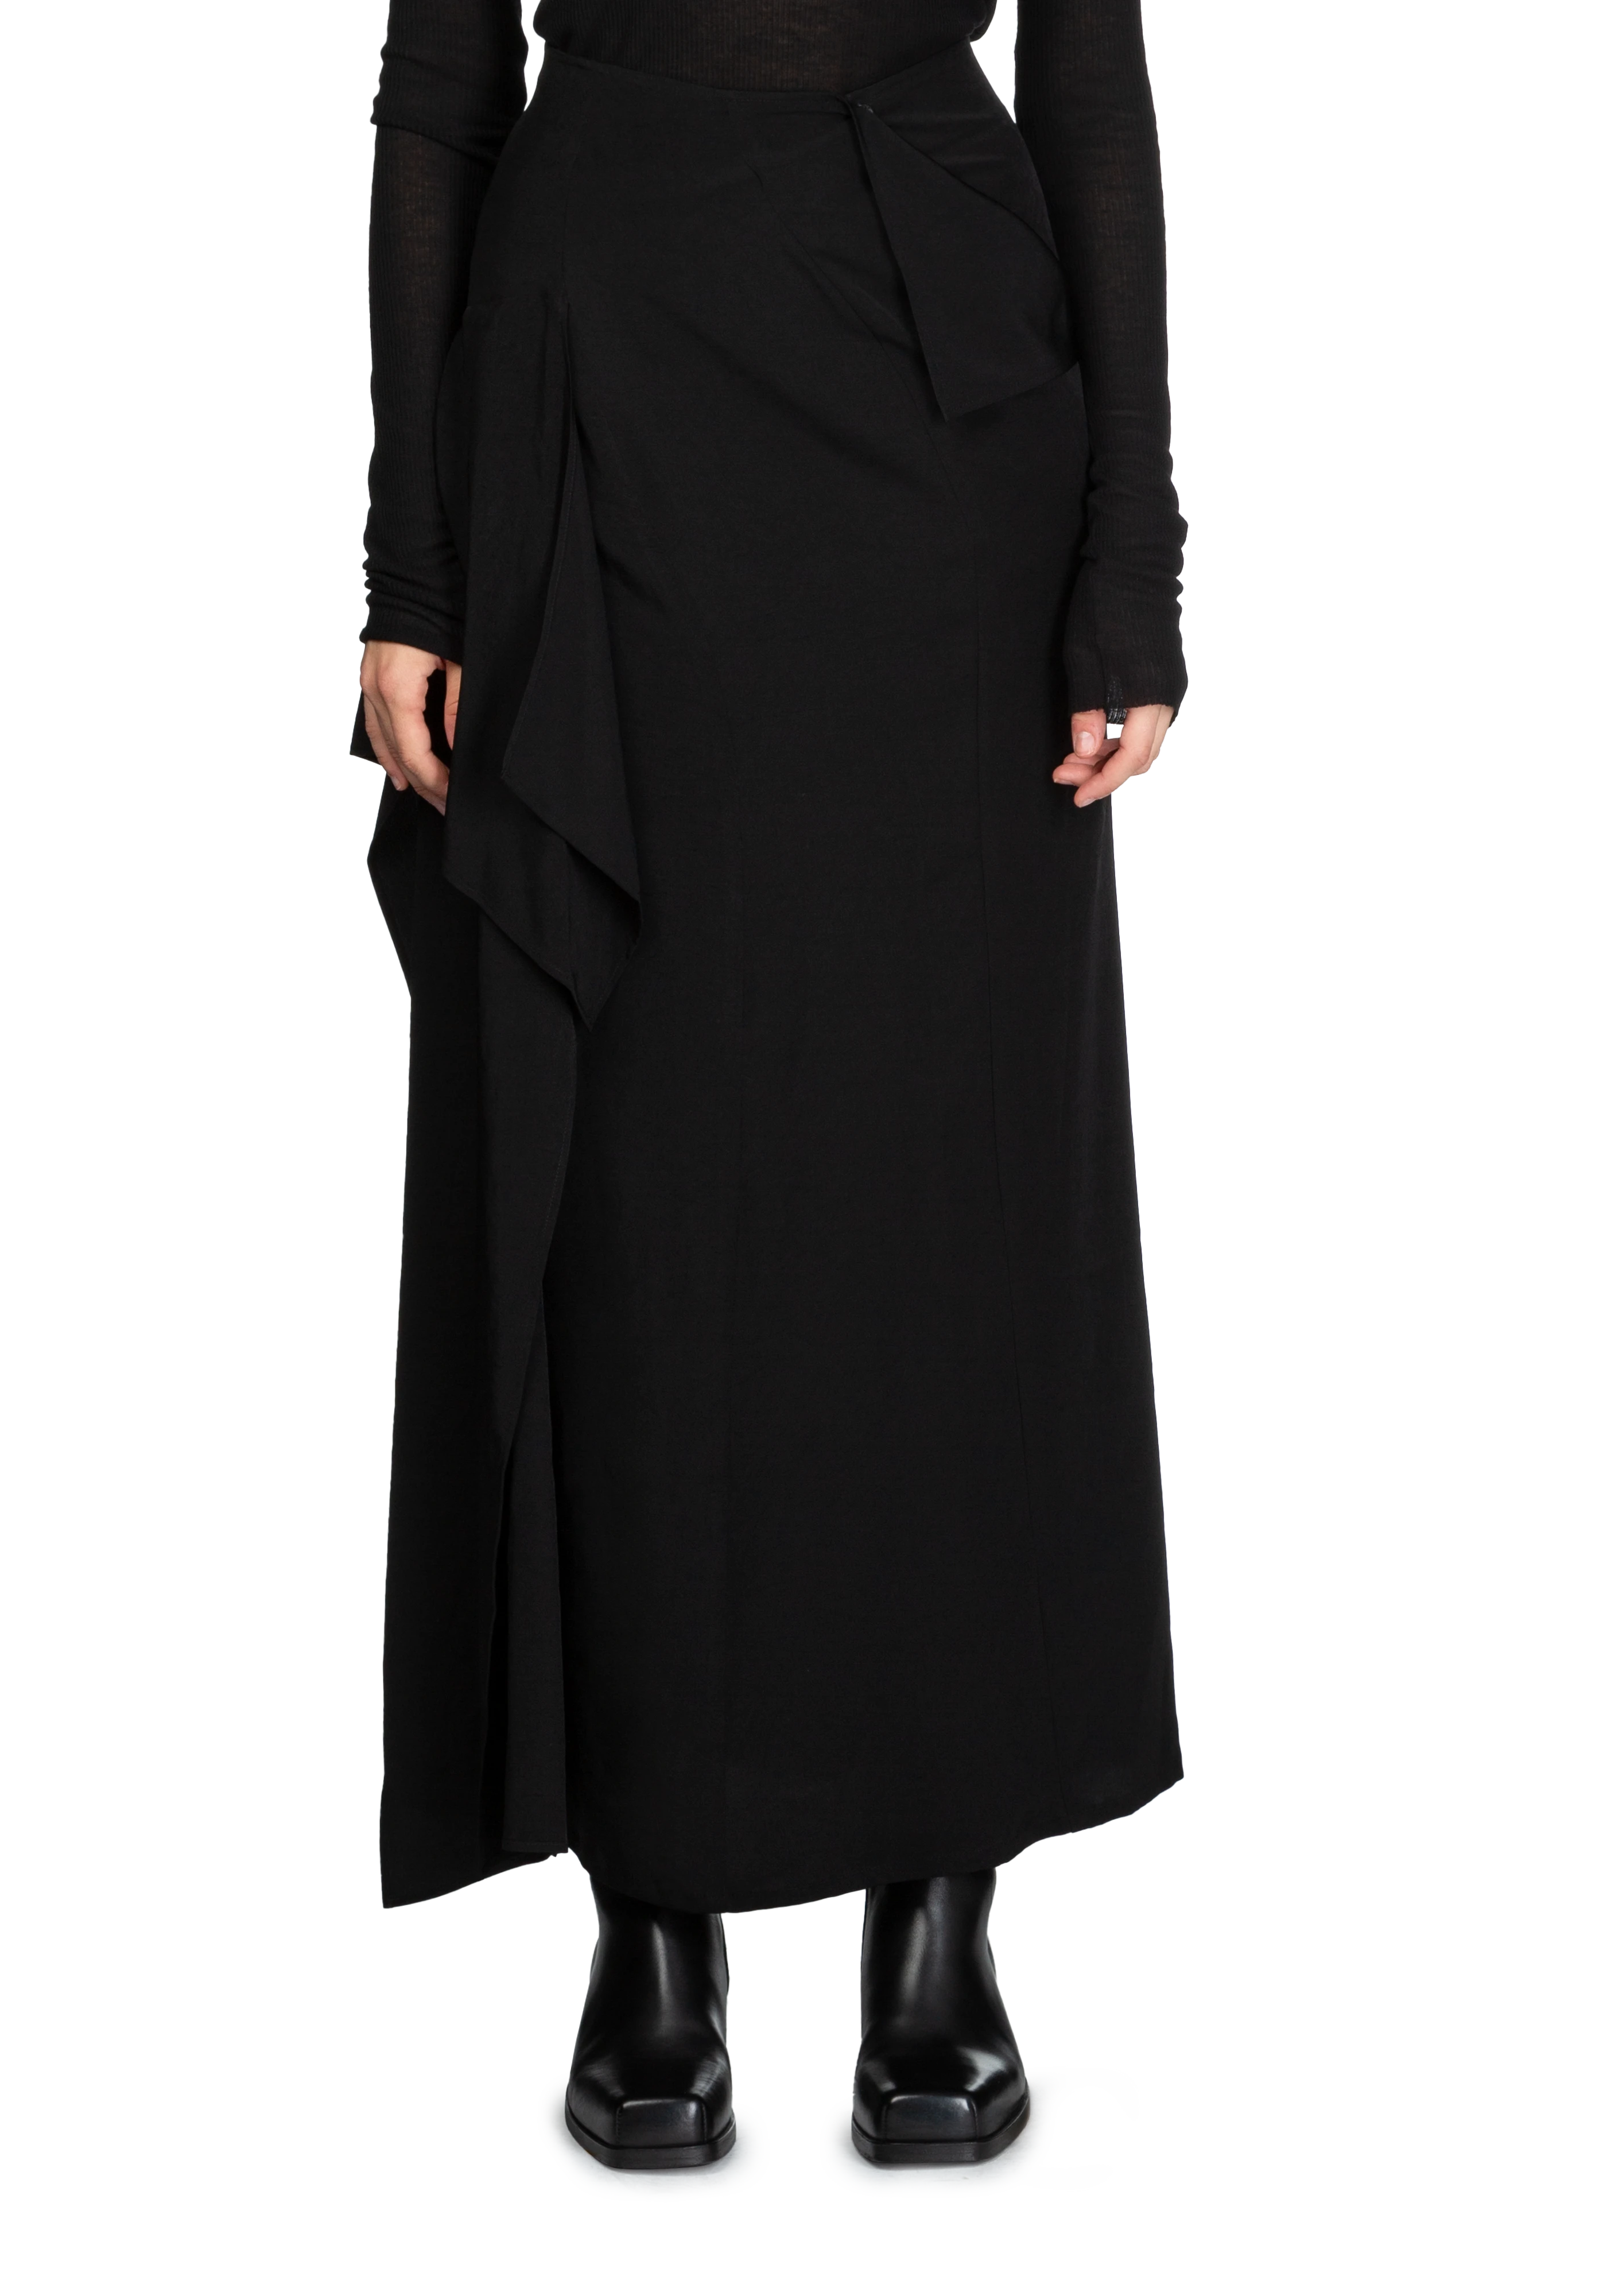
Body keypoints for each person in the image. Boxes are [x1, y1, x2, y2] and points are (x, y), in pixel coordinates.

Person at [354, 0, 1187, 2173]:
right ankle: (656, 1912)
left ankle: (942, 1903)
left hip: (945, 425)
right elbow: (441, 88)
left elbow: (1089, 70)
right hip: (601, 388)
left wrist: (1135, 553)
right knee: (635, 1180)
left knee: (947, 1162)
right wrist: (410, 562)